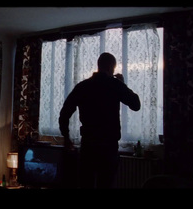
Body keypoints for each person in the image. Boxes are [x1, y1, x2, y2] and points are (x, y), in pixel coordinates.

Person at [59, 52, 141, 188]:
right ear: (110, 67)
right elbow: (136, 105)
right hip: (108, 148)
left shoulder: (83, 86)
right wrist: (122, 84)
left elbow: (65, 113)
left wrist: (66, 137)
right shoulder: (115, 85)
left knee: (86, 184)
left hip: (88, 146)